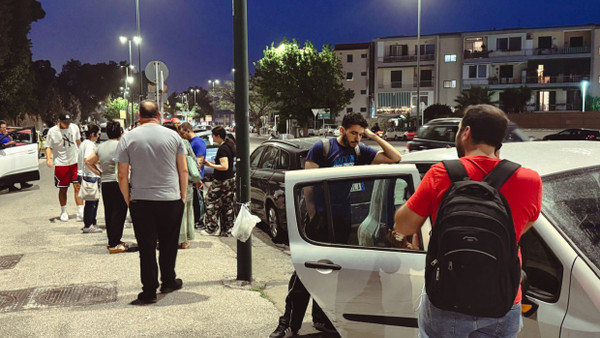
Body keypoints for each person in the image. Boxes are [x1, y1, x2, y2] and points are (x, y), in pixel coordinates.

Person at [393, 104, 542, 338]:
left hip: (447, 296)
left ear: (466, 133)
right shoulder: (529, 179)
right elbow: (518, 231)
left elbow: (403, 226)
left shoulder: (439, 174)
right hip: (503, 298)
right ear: (499, 140)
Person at [270, 112, 402, 338]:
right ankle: (288, 323)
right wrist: (313, 216)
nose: (357, 138)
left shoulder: (360, 151)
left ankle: (322, 318)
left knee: (336, 272)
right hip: (319, 219)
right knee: (304, 273)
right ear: (341, 130)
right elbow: (307, 186)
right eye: (354, 133)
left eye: (361, 134)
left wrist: (372, 135)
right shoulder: (323, 149)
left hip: (342, 219)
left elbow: (395, 158)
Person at [114, 100, 188, 305]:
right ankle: (168, 280)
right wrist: (182, 196)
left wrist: (128, 199)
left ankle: (148, 291)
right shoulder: (173, 136)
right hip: (170, 198)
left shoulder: (128, 137)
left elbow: (122, 175)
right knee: (168, 243)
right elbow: (183, 169)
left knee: (146, 247)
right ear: (159, 114)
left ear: (139, 115)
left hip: (141, 200)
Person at [85, 121, 130, 253]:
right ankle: (115, 243)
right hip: (119, 182)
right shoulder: (122, 146)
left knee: (109, 212)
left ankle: (112, 240)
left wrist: (99, 173)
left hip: (105, 182)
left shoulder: (101, 147)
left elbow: (88, 161)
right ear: (121, 133)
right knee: (119, 212)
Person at [45, 113, 83, 222]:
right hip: (61, 163)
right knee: (63, 188)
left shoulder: (74, 127)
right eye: (65, 122)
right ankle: (63, 211)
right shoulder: (52, 131)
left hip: (74, 161)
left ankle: (80, 211)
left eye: (69, 122)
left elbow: (78, 141)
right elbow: (48, 147)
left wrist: (82, 152)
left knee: (77, 186)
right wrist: (49, 159)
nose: (67, 124)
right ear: (59, 121)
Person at [200, 126, 236, 237]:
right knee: (227, 204)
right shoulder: (229, 145)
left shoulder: (222, 149)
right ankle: (227, 229)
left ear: (218, 136)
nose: (212, 138)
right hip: (229, 179)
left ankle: (212, 226)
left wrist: (210, 165)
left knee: (209, 200)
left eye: (213, 135)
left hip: (221, 180)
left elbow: (224, 166)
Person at [178, 122, 207, 230]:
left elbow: (199, 160)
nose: (181, 136)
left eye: (182, 133)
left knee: (197, 201)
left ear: (188, 131)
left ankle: (199, 221)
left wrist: (196, 176)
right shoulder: (191, 142)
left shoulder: (198, 142)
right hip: (191, 177)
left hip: (195, 177)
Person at [78, 124, 102, 233]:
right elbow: (87, 160)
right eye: (97, 134)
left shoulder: (83, 143)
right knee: (91, 202)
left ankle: (91, 222)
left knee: (91, 200)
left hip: (86, 174)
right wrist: (97, 170)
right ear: (92, 134)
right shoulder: (89, 145)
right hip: (90, 176)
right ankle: (89, 224)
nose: (98, 136)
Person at [0, 121, 33, 192]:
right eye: (3, 127)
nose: (4, 129)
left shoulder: (5, 135)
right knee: (9, 171)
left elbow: (12, 140)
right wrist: (8, 143)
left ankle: (22, 183)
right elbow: (2, 145)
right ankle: (11, 186)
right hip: (4, 154)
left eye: (5, 127)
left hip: (11, 153)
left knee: (17, 168)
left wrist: (8, 135)